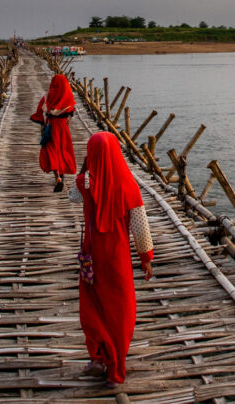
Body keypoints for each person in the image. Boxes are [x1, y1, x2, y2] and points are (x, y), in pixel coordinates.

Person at [71, 132, 153, 386]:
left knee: (93, 306)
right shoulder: (128, 185)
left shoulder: (84, 182)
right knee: (120, 309)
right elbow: (141, 227)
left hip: (91, 256)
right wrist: (146, 258)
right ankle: (116, 365)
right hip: (117, 259)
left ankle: (97, 356)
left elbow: (71, 197)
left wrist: (86, 169)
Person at [34, 73, 77, 191]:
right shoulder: (67, 95)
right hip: (63, 128)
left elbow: (39, 111)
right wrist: (67, 117)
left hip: (51, 126)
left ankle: (57, 176)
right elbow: (71, 110)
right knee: (63, 150)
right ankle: (61, 175)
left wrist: (42, 125)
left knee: (51, 151)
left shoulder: (48, 96)